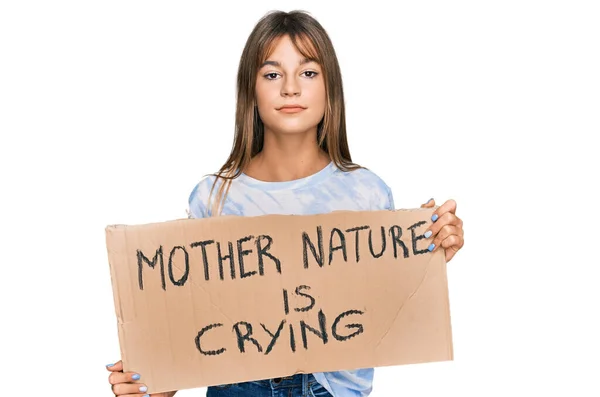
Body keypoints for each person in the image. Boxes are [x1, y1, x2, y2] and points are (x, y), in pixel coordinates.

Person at [106, 9, 465, 397]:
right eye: (272, 74)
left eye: (308, 73)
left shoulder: (367, 192)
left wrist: (428, 257)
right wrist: (150, 383)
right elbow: (195, 329)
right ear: (251, 89)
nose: (290, 88)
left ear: (331, 89)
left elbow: (387, 316)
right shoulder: (214, 198)